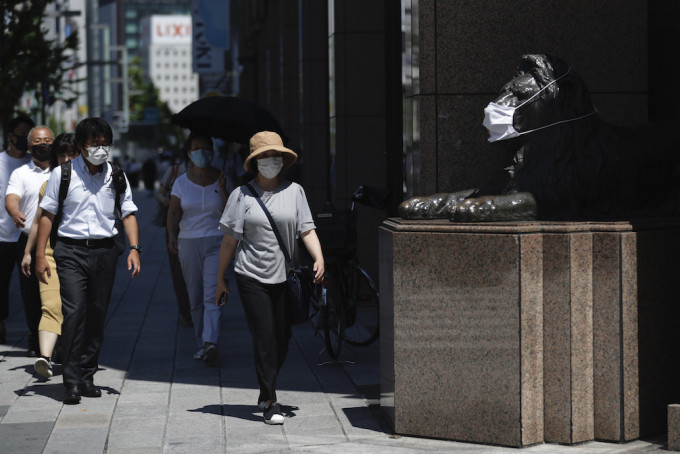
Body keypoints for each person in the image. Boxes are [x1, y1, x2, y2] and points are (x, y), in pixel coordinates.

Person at [215, 131, 325, 425]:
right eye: (263, 156)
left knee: (283, 338)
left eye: (274, 155)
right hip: (250, 275)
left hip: (285, 277)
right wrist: (220, 278)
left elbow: (306, 229)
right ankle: (269, 399)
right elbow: (229, 241)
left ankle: (267, 385)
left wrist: (319, 257)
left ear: (283, 159)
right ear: (254, 162)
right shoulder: (241, 196)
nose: (270, 161)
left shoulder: (295, 192)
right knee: (264, 336)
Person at [34, 117, 141, 405]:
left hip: (105, 252)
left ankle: (87, 375)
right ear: (82, 146)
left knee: (97, 315)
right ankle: (71, 381)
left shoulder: (116, 175)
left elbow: (128, 213)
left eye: (105, 143)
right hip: (70, 252)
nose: (101, 149)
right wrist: (39, 255)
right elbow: (47, 215)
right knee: (75, 313)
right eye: (96, 144)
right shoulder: (63, 174)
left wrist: (134, 248)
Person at [20, 133, 79, 378]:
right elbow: (37, 223)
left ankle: (74, 353)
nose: (66, 159)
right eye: (61, 155)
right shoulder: (49, 185)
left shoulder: (92, 183)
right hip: (50, 253)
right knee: (50, 304)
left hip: (79, 253)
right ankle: (45, 357)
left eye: (71, 154)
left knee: (77, 308)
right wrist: (28, 253)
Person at [167, 132, 228, 363]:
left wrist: (223, 189)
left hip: (217, 241)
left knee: (215, 293)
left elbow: (230, 211)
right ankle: (201, 342)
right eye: (196, 147)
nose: (200, 151)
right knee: (195, 297)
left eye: (205, 147)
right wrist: (172, 235)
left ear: (212, 151)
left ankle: (211, 341)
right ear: (189, 152)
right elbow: (173, 212)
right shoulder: (181, 181)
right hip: (189, 243)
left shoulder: (222, 178)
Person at [5, 125, 55, 356]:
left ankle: (60, 339)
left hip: (59, 240)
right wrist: (15, 212)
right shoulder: (20, 173)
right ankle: (36, 338)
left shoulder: (63, 170)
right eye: (37, 141)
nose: (42, 144)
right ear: (29, 145)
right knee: (32, 293)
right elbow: (12, 198)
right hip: (29, 241)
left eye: (47, 140)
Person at [0, 114, 35, 344]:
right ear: (11, 136)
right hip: (2, 236)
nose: (25, 139)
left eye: (28, 135)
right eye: (21, 134)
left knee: (31, 289)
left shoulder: (35, 163)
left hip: (27, 237)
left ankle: (35, 334)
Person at [155, 155, 191, 326]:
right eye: (196, 148)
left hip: (201, 229)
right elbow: (160, 193)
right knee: (179, 272)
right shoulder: (175, 170)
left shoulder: (213, 174)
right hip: (176, 225)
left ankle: (203, 310)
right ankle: (185, 311)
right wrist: (171, 203)